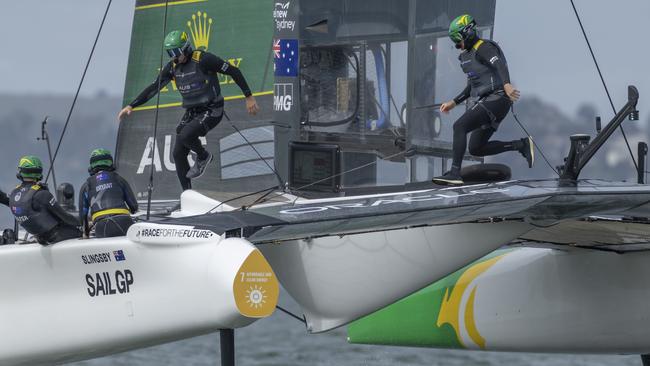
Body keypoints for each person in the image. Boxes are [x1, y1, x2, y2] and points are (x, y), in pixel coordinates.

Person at [118, 30, 260, 190]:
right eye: (169, 53)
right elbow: (153, 87)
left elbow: (233, 70)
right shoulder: (172, 67)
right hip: (192, 112)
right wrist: (132, 105)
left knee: (186, 134)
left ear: (185, 48)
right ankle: (187, 195)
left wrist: (249, 96)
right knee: (178, 153)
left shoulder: (204, 59)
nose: (173, 56)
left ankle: (204, 156)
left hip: (212, 109)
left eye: (176, 52)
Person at [432, 14, 534, 186]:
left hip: (498, 99)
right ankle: (521, 145)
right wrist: (453, 102)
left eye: (458, 39)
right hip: (491, 101)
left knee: (459, 126)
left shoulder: (484, 48)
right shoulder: (467, 56)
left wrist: (507, 85)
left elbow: (499, 64)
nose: (457, 45)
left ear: (468, 33)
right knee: (476, 148)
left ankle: (455, 173)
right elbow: (472, 87)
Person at [9, 156, 81, 245]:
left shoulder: (13, 194)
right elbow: (65, 217)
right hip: (55, 236)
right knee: (83, 231)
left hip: (38, 237)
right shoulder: (42, 194)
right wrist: (84, 222)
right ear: (39, 173)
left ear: (20, 172)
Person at [79, 149, 138, 238]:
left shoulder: (86, 186)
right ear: (110, 163)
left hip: (102, 226)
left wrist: (86, 234)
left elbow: (83, 216)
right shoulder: (119, 179)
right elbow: (134, 206)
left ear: (91, 165)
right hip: (124, 222)